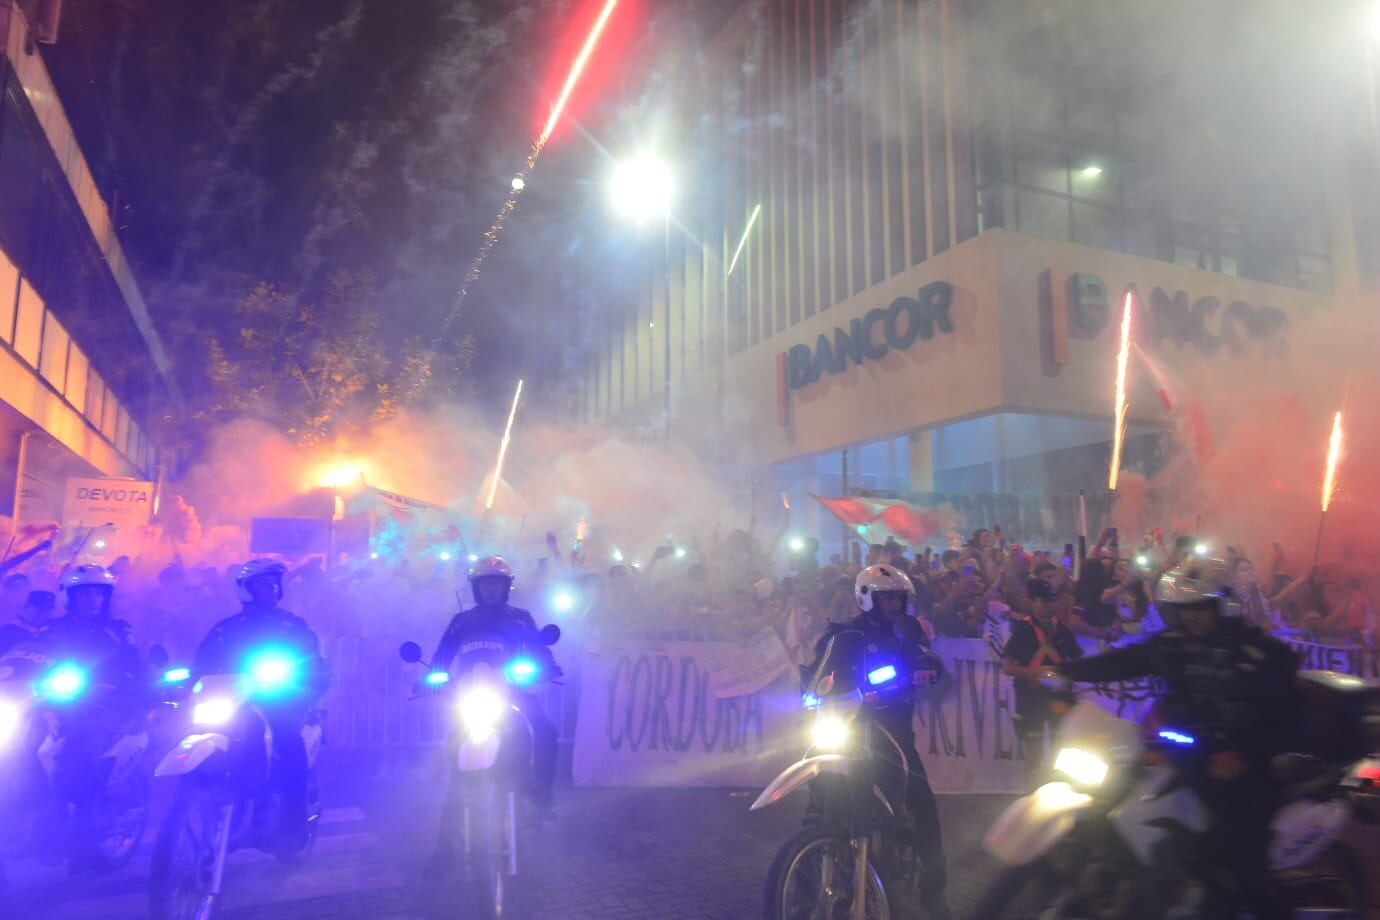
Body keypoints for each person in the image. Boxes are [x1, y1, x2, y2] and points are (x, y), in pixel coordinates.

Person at [1050, 558, 1303, 920]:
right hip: (1186, 759)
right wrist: (1060, 670)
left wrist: (1242, 755)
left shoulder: (1257, 654)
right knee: (1110, 808)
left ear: (1221, 604)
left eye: (1200, 608)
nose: (1191, 617)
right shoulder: (1173, 644)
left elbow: (1290, 720)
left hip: (1245, 774)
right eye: (1185, 609)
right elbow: (1120, 663)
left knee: (1234, 867)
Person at [806, 564, 951, 920]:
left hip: (892, 734)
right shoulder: (844, 634)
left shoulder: (909, 631)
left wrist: (927, 666)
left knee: (924, 808)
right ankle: (806, 883)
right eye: (888, 599)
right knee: (815, 802)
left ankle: (934, 898)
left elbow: (928, 657)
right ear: (867, 598)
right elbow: (817, 674)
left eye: (900, 599)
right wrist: (810, 692)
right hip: (848, 729)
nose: (895, 605)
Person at [425, 556, 560, 875]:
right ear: (476, 588)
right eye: (485, 584)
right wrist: (432, 676)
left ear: (506, 587)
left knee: (545, 730)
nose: (490, 589)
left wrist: (547, 665)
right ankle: (443, 853)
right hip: (471, 696)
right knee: (457, 770)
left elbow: (540, 650)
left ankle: (542, 793)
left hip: (512, 692)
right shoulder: (462, 621)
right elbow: (442, 656)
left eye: (496, 584)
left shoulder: (521, 619)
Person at [193, 559, 328, 853]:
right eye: (263, 583)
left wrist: (303, 694)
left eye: (274, 583)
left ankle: (295, 827)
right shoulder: (226, 629)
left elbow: (314, 667)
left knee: (289, 745)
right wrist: (188, 685)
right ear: (246, 590)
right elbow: (201, 664)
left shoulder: (291, 625)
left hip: (278, 703)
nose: (271, 588)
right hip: (233, 703)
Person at [38, 565, 148, 870]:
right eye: (86, 593)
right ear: (69, 597)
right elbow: (25, 657)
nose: (93, 599)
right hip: (52, 704)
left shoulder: (118, 630)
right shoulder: (52, 631)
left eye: (99, 593)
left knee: (80, 755)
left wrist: (113, 684)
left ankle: (83, 840)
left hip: (105, 708)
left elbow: (134, 667)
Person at [1002, 578, 1083, 787]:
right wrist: (1036, 674)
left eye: (1051, 601)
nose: (1049, 606)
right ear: (1032, 601)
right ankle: (1030, 798)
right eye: (1043, 601)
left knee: (1062, 756)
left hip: (1060, 699)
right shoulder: (1023, 629)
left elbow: (1077, 662)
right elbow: (1007, 667)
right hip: (1031, 699)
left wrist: (1066, 676)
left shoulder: (1063, 630)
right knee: (1034, 758)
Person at [0, 588, 56, 655]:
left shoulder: (50, 634)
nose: (44, 614)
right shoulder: (7, 631)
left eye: (48, 610)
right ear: (26, 607)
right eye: (40, 609)